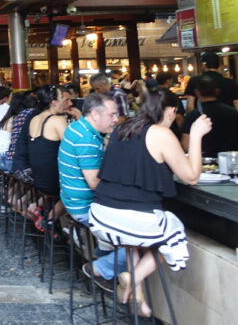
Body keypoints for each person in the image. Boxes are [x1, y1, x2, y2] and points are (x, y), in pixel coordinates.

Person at [89, 88, 212, 316]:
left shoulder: (121, 129)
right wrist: (195, 136)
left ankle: (137, 297)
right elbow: (191, 176)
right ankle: (134, 277)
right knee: (174, 236)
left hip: (100, 215)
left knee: (133, 242)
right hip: (131, 218)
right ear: (172, 111)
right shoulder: (161, 134)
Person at [58, 92, 123, 289]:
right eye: (111, 115)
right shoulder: (86, 139)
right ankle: (103, 269)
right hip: (83, 207)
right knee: (143, 240)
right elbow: (95, 183)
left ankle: (103, 261)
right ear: (95, 114)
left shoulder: (77, 127)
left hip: (71, 200)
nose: (116, 119)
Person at [184, 51, 238, 134]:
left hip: (204, 127)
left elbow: (190, 106)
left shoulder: (194, 81)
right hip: (228, 127)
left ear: (204, 65)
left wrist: (191, 128)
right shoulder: (230, 83)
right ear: (220, 66)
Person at [181, 74, 238, 157]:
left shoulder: (192, 116)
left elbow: (186, 146)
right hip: (231, 161)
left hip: (205, 163)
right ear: (217, 91)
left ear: (197, 92)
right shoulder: (233, 113)